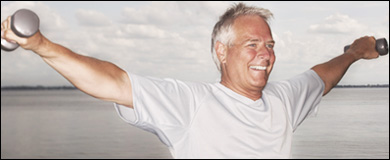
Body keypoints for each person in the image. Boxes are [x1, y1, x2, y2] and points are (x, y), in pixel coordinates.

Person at [1, 3, 380, 159]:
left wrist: (353, 53)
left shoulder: (284, 99)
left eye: (269, 45)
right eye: (251, 44)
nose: (266, 54)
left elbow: (321, 78)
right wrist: (39, 44)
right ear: (221, 51)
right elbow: (113, 82)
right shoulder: (192, 103)